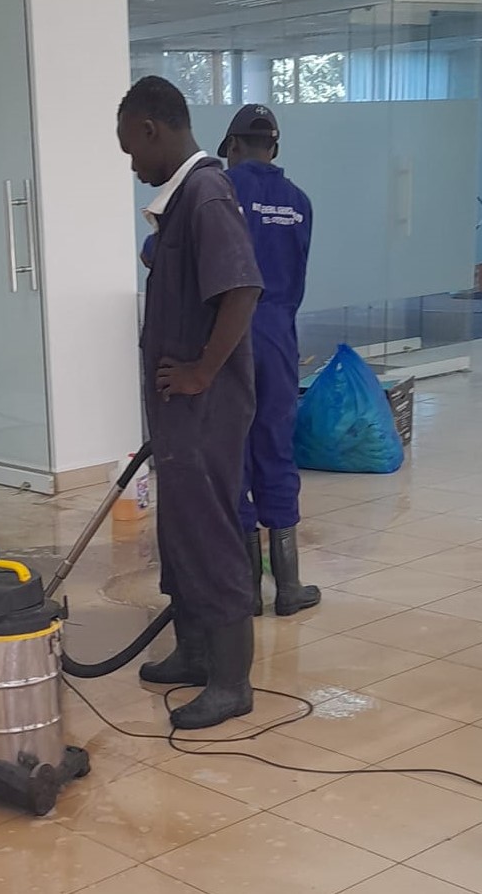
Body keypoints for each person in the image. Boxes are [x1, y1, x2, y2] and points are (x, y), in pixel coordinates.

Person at [118, 76, 264, 730]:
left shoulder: (205, 193)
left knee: (208, 534)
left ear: (152, 129)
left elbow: (241, 289)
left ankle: (231, 681)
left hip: (204, 411)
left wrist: (204, 373)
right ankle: (193, 652)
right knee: (181, 535)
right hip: (179, 413)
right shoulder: (181, 200)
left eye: (130, 148)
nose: (130, 164)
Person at [218, 105, 320, 618]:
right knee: (275, 450)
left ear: (233, 146)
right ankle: (290, 586)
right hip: (279, 334)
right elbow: (297, 276)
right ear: (274, 148)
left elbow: (158, 251)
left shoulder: (221, 190)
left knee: (233, 452)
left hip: (231, 337)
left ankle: (245, 590)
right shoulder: (299, 202)